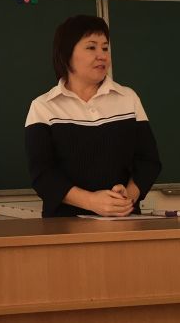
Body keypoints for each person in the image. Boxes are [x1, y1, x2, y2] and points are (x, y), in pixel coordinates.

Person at [24, 15, 161, 217]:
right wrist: (92, 202)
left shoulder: (128, 98)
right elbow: (43, 175)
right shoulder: (44, 107)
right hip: (64, 225)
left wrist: (128, 197)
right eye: (91, 47)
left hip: (123, 220)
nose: (102, 55)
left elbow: (148, 161)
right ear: (66, 54)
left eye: (105, 48)